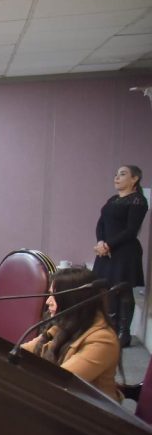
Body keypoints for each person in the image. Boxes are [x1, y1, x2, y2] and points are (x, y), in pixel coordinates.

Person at [21, 267, 120, 401]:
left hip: (87, 411)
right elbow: (23, 351)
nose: (48, 301)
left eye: (55, 296)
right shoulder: (66, 325)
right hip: (61, 403)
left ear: (72, 300)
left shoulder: (102, 340)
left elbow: (61, 382)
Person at [92, 165, 148, 347]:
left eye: (122, 174)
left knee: (122, 289)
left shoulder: (138, 200)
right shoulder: (113, 199)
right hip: (105, 251)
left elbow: (131, 230)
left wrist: (108, 245)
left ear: (134, 179)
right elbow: (101, 224)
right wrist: (101, 242)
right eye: (116, 174)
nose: (116, 177)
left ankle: (124, 333)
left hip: (125, 252)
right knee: (105, 288)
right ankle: (110, 328)